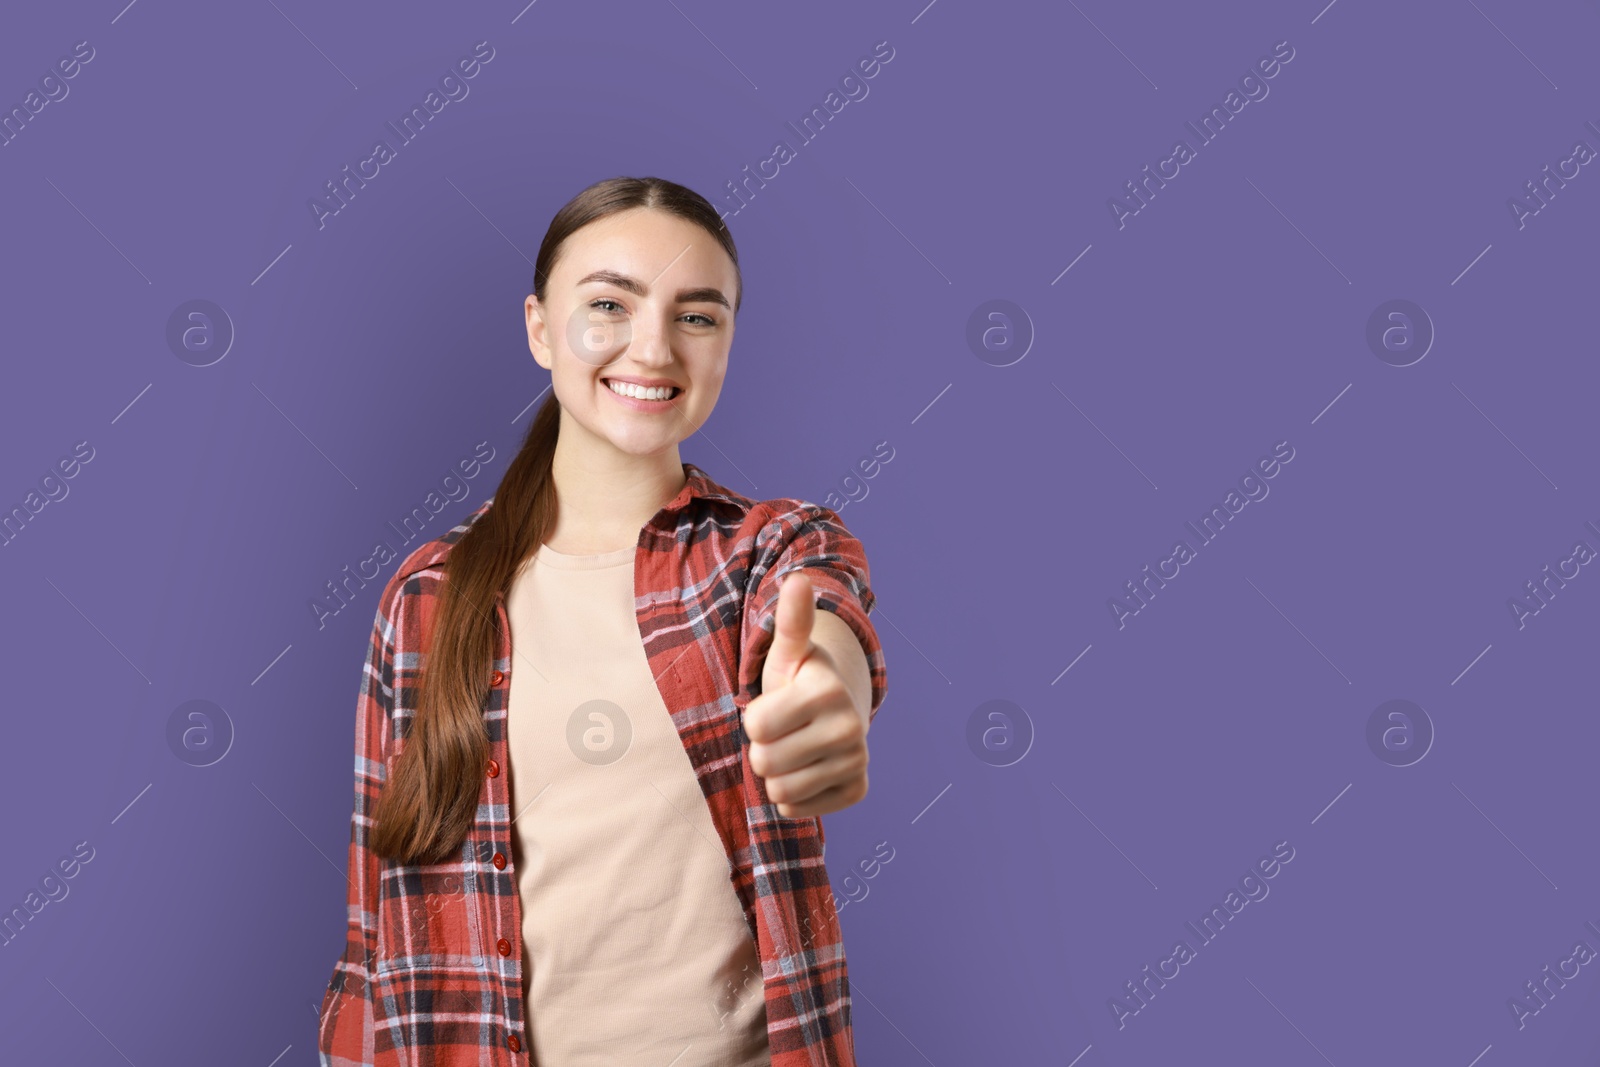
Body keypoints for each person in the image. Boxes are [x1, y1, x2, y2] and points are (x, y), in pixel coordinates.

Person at [317, 175, 888, 1067]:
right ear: (542, 328)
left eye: (698, 317)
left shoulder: (768, 548)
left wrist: (824, 699)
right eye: (610, 305)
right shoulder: (425, 596)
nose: (653, 347)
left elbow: (823, 624)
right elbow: (373, 920)